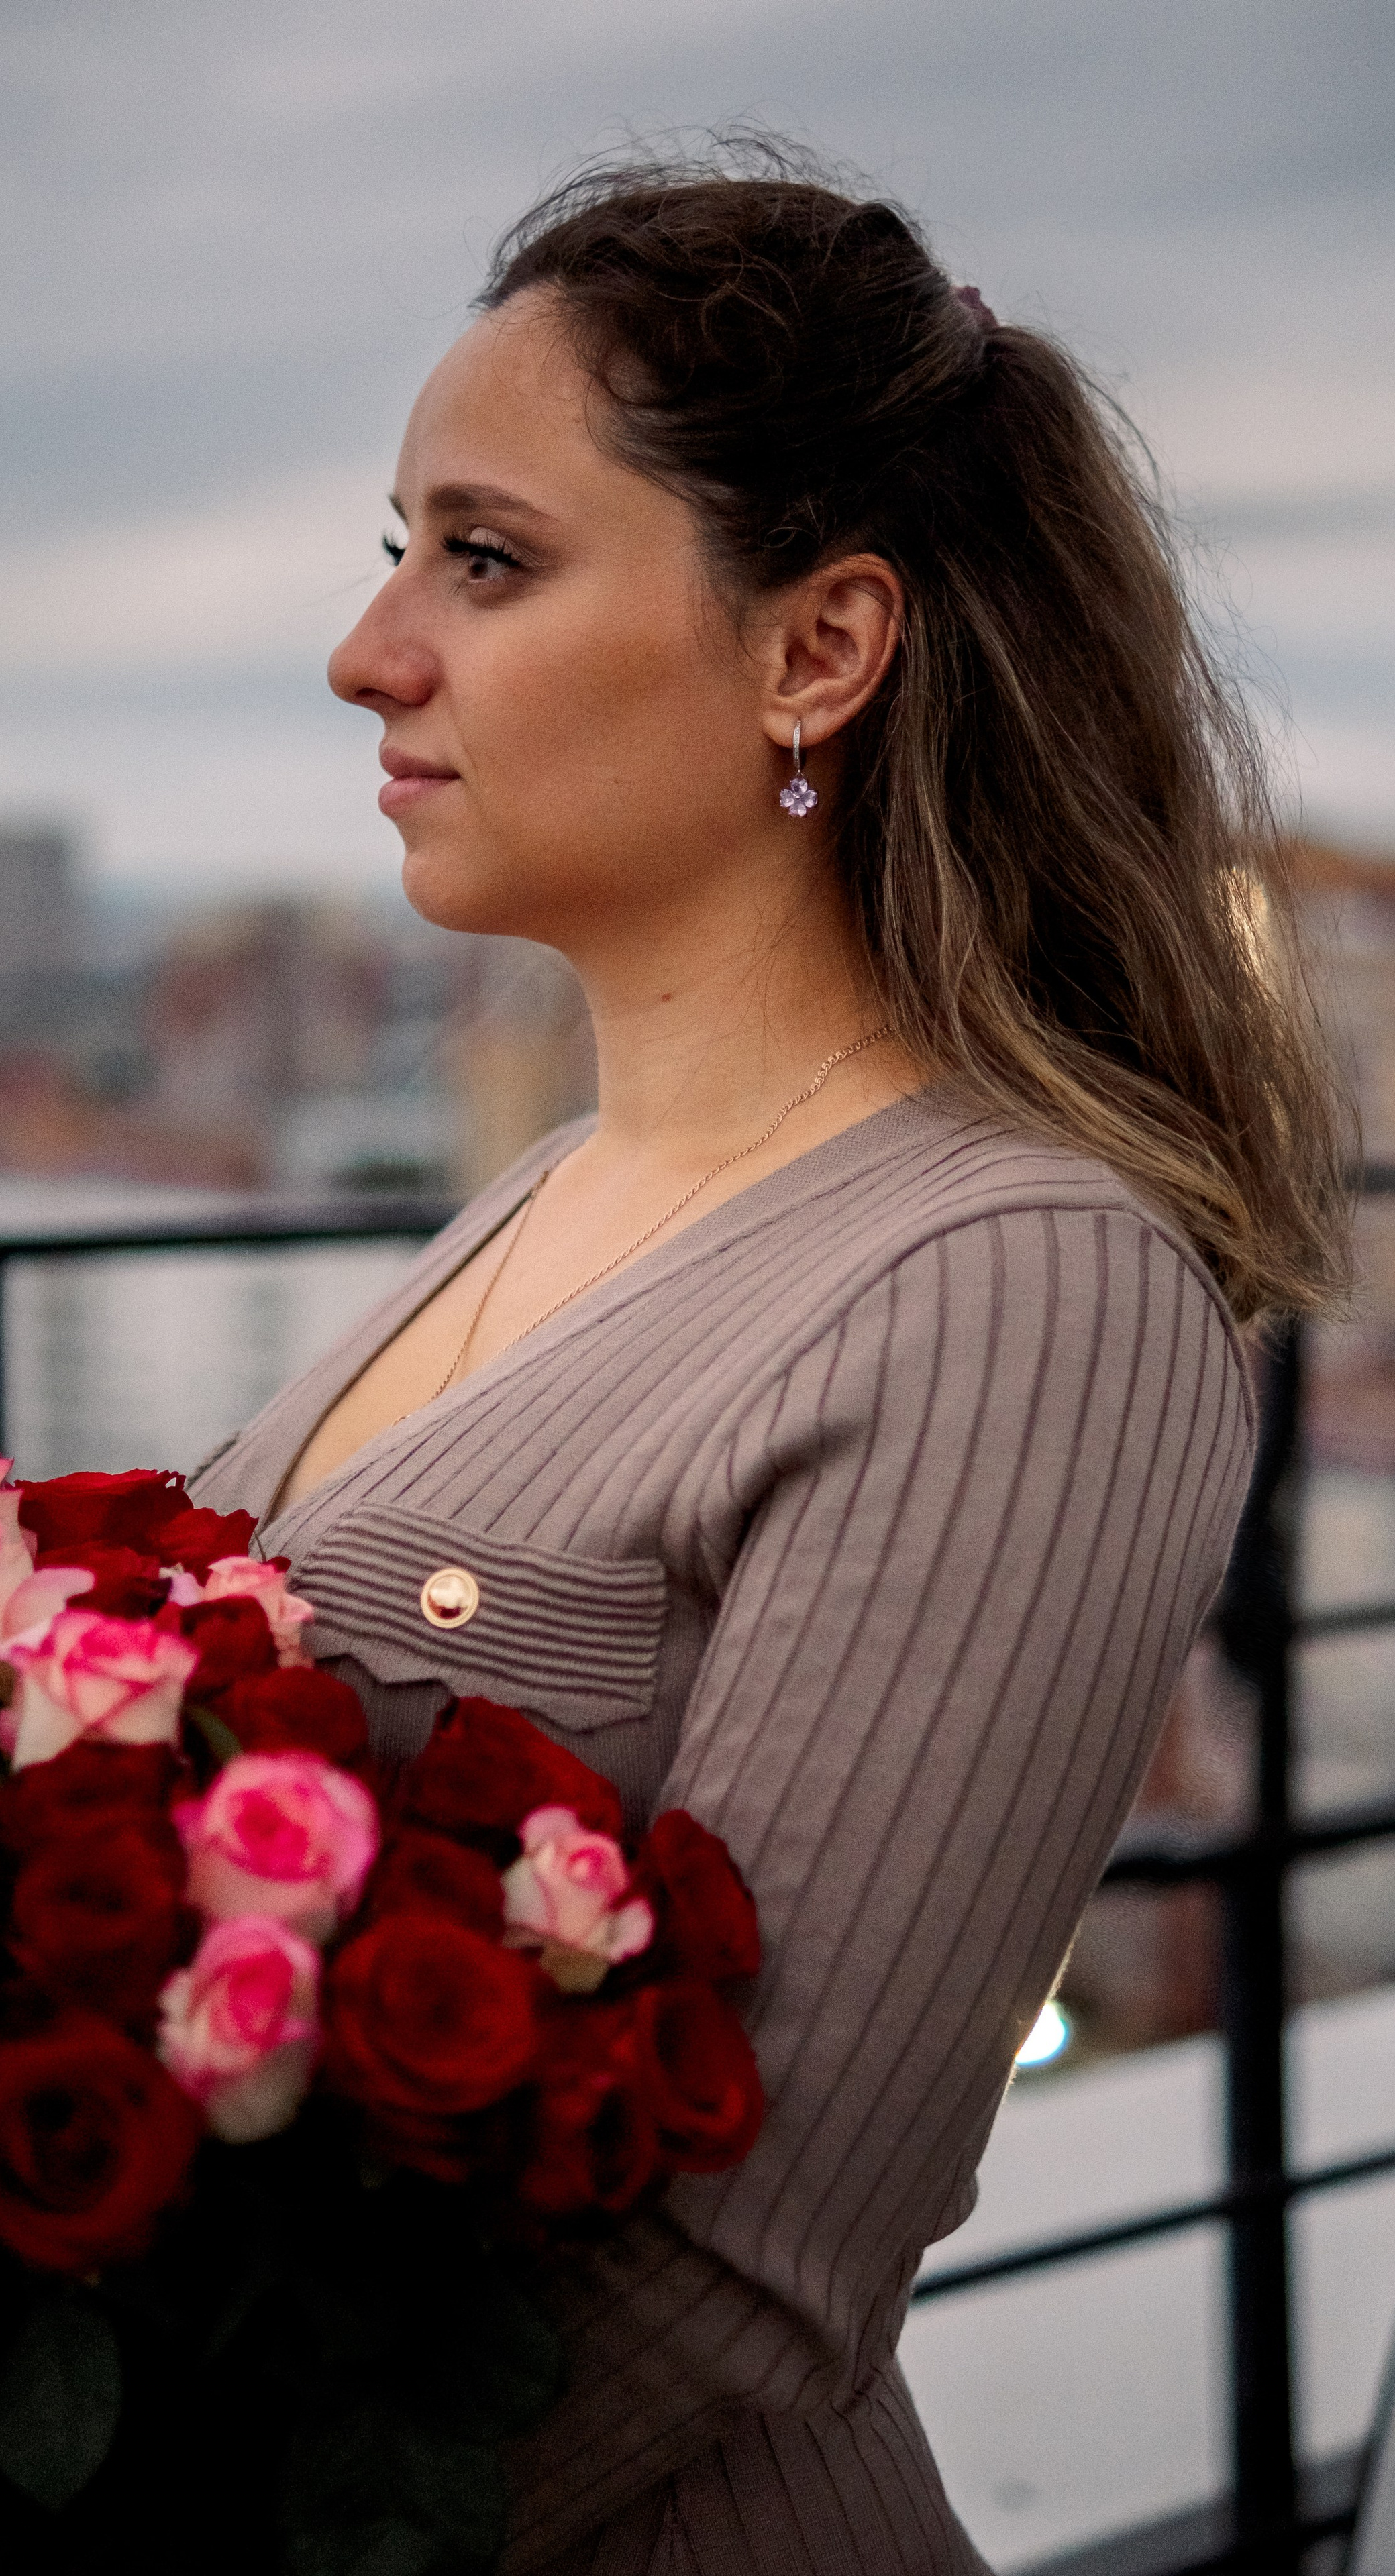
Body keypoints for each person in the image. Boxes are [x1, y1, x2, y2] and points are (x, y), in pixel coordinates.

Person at [191, 142, 1347, 2576]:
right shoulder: (547, 1191)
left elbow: (736, 2266)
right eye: (392, 548)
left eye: (484, 560)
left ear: (818, 649)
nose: (371, 650)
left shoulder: (1022, 1283)